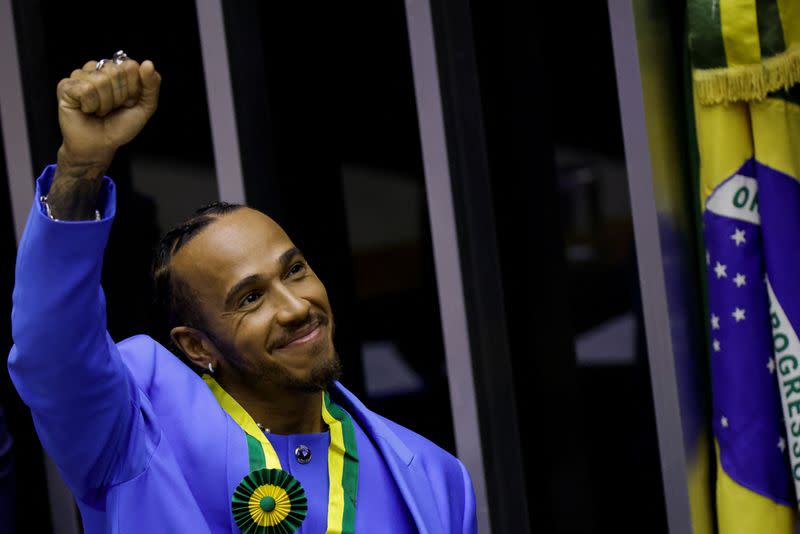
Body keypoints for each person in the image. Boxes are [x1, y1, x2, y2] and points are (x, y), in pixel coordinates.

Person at [8, 53, 476, 533]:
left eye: (295, 270)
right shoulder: (137, 430)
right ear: (196, 345)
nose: (296, 308)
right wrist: (78, 173)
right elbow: (52, 351)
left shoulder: (437, 482)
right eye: (250, 298)